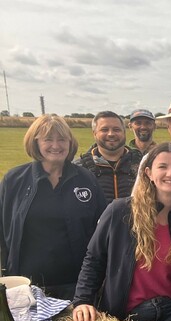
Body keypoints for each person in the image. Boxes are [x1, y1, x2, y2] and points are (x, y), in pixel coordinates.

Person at [72, 143, 171, 321]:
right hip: (125, 314)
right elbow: (94, 259)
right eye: (162, 167)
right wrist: (82, 301)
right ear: (148, 173)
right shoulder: (120, 211)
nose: (170, 173)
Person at [0, 114, 107, 299]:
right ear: (35, 143)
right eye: (48, 139)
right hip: (24, 286)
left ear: (70, 142)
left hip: (75, 286)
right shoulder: (13, 180)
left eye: (62, 139)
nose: (56, 146)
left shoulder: (86, 179)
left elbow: (103, 233)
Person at [74, 111, 142, 203]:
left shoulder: (142, 163)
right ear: (94, 133)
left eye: (116, 129)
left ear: (124, 132)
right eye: (104, 130)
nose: (111, 134)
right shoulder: (79, 168)